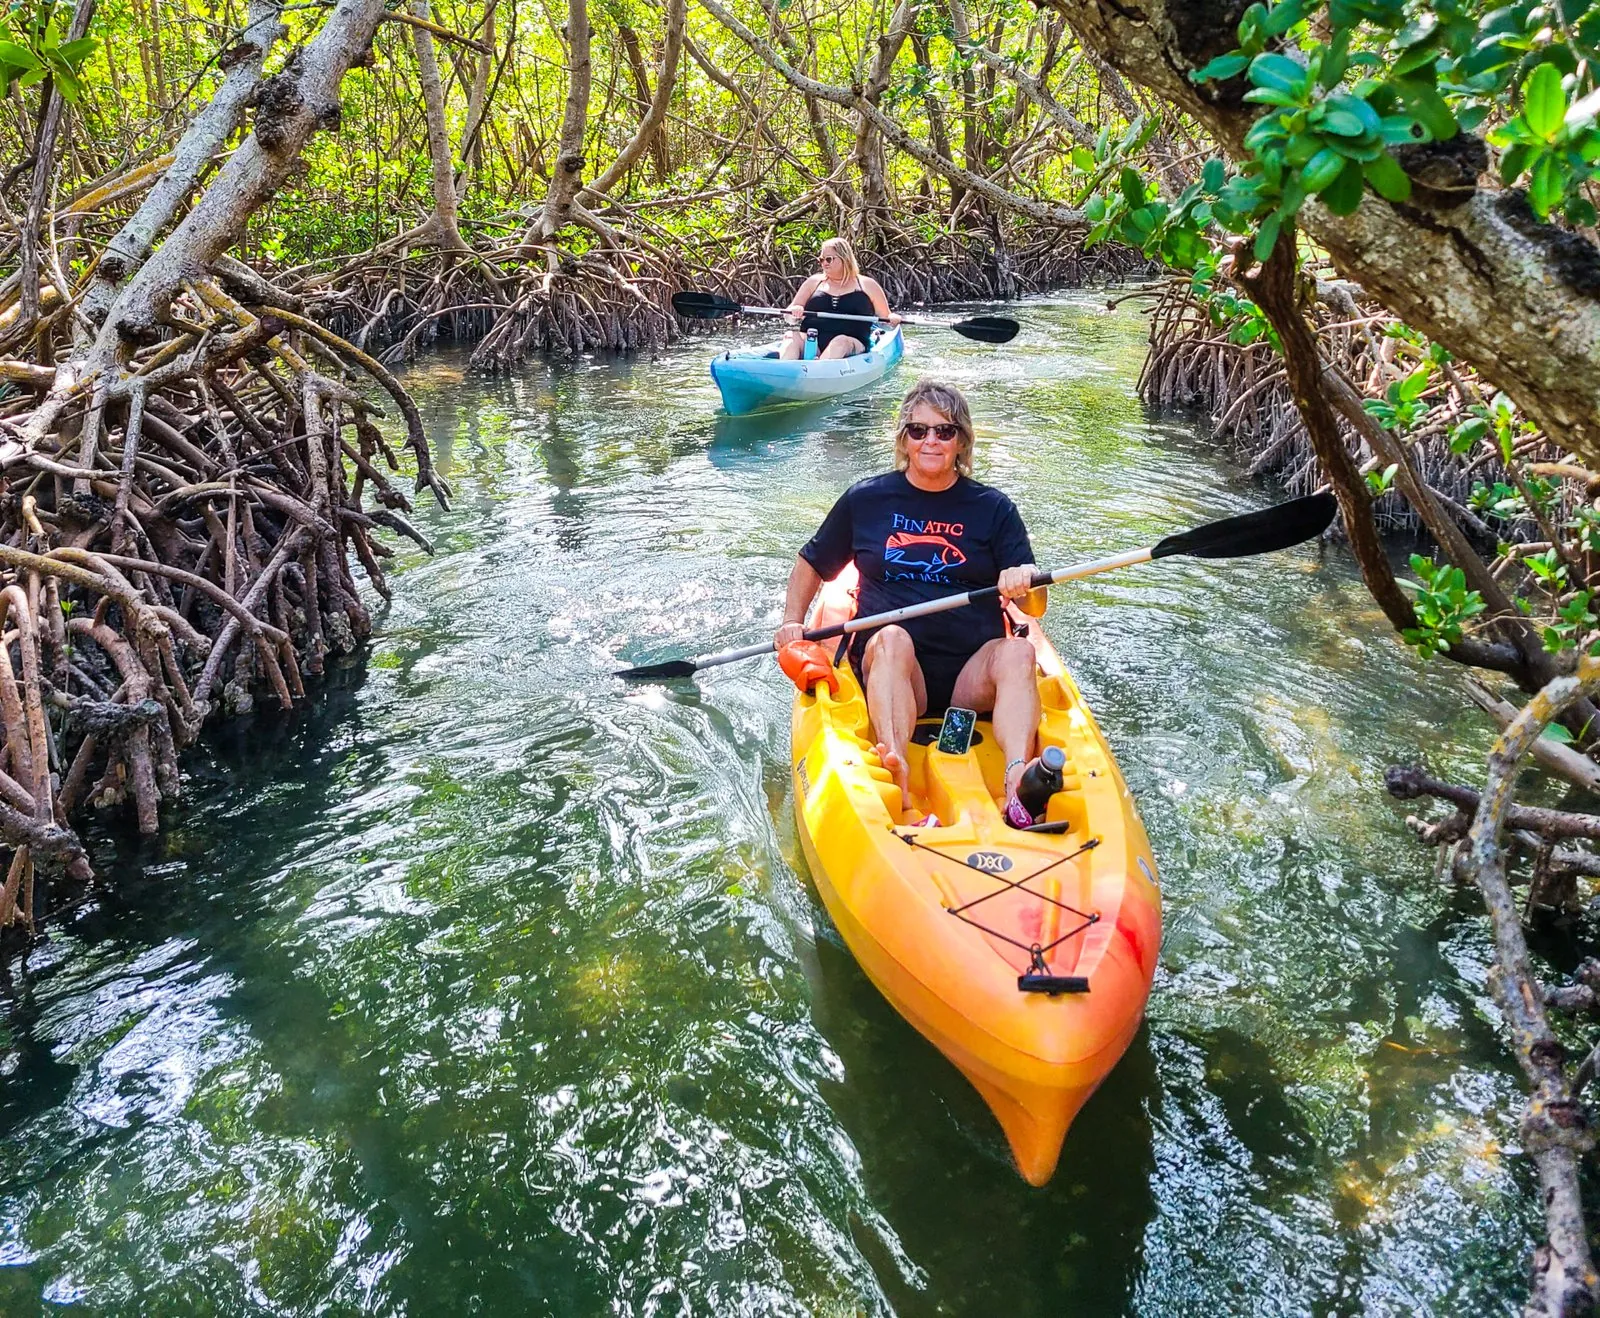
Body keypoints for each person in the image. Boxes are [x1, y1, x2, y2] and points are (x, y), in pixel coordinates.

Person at [775, 379, 1046, 826]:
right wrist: (791, 622)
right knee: (893, 638)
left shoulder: (994, 508)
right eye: (918, 431)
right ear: (903, 439)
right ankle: (895, 770)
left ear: (962, 440)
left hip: (970, 675)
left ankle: (1018, 782)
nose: (931, 441)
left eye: (944, 431)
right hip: (898, 670)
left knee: (1019, 651)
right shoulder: (867, 499)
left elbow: (1034, 610)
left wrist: (1026, 582)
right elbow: (811, 562)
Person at [779, 237, 900, 361]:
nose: (824, 263)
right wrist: (795, 312)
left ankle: (819, 370)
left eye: (829, 259)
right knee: (790, 336)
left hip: (851, 343)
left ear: (845, 258)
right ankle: (783, 372)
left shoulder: (867, 285)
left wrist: (891, 320)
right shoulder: (813, 282)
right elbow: (789, 318)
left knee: (840, 342)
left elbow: (885, 320)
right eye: (821, 260)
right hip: (812, 341)